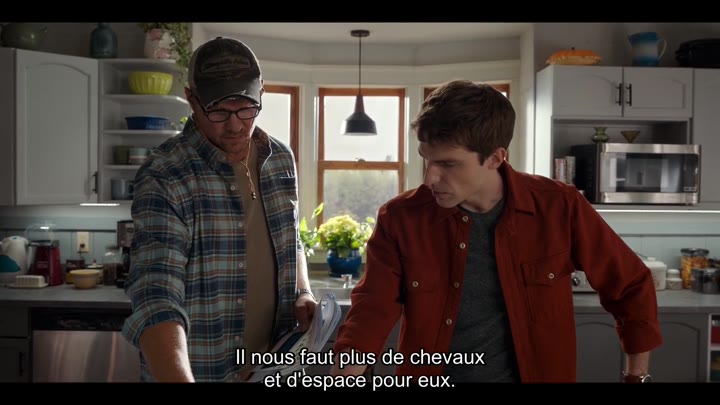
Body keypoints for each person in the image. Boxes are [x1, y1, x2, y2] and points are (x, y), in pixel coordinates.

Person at [329, 80, 662, 383]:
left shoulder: (559, 206)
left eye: (448, 164)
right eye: (426, 159)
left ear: (495, 158)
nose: (430, 178)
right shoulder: (401, 218)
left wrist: (637, 377)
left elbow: (630, 284)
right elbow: (372, 308)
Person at [121, 37, 316, 383]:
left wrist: (302, 291)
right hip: (203, 372)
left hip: (275, 368)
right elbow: (156, 295)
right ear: (191, 98)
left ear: (262, 93)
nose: (236, 125)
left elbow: (291, 240)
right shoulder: (165, 173)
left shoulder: (280, 159)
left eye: (247, 108)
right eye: (219, 111)